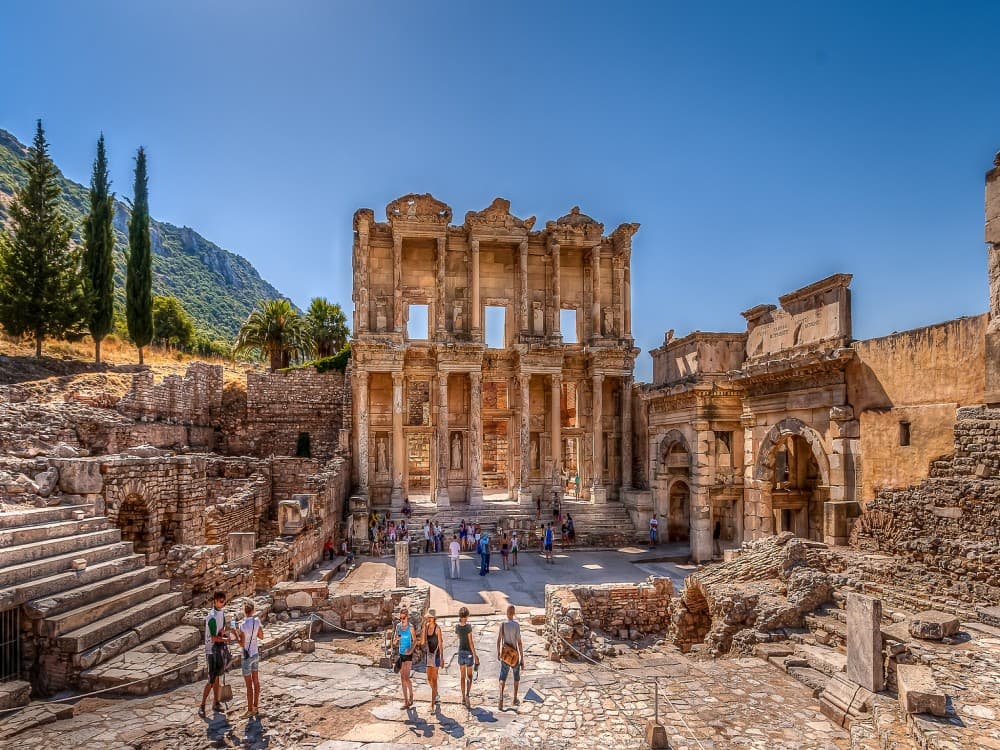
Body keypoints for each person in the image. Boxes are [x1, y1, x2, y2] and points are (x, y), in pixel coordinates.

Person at [199, 591, 232, 716]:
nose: (222, 604)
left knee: (218, 676)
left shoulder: (221, 613)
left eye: (224, 601)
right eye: (220, 601)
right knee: (211, 679)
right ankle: (202, 705)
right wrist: (225, 639)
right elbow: (213, 637)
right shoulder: (211, 617)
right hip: (212, 650)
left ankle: (216, 702)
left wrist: (223, 633)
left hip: (219, 648)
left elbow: (221, 629)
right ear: (215, 601)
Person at [238, 600, 265, 719]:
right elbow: (261, 636)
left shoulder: (242, 625)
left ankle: (249, 710)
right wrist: (254, 634)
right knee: (256, 681)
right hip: (255, 654)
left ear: (244, 612)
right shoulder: (257, 621)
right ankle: (255, 707)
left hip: (246, 656)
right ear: (253, 610)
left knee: (249, 685)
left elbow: (242, 644)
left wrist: (235, 632)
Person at [496, 605, 524, 711]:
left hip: (505, 655)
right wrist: (522, 657)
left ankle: (501, 697)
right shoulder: (516, 625)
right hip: (514, 656)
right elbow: (519, 643)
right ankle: (515, 698)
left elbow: (499, 640)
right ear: (514, 613)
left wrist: (498, 652)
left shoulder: (502, 624)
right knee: (516, 677)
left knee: (502, 677)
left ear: (507, 613)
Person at [454, 606, 479, 708]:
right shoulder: (468, 627)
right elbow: (471, 642)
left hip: (461, 652)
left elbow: (458, 637)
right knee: (470, 676)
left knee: (462, 676)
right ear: (467, 615)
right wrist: (475, 655)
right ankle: (468, 695)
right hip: (468, 652)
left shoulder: (457, 627)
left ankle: (463, 698)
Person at [421, 609, 445, 708]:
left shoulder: (437, 629)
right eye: (428, 617)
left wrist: (442, 658)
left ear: (434, 618)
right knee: (429, 679)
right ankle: (436, 694)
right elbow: (423, 642)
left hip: (436, 656)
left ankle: (432, 705)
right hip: (428, 655)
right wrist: (423, 630)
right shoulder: (426, 627)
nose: (429, 619)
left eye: (430, 617)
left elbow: (440, 643)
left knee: (434, 680)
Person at [392, 610, 416, 709]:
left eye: (403, 618)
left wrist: (410, 650)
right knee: (402, 679)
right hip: (401, 654)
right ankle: (406, 701)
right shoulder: (398, 627)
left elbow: (415, 641)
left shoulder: (411, 627)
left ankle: (411, 695)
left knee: (406, 678)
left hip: (408, 655)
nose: (402, 620)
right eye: (400, 618)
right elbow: (393, 643)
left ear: (407, 617)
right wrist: (396, 640)